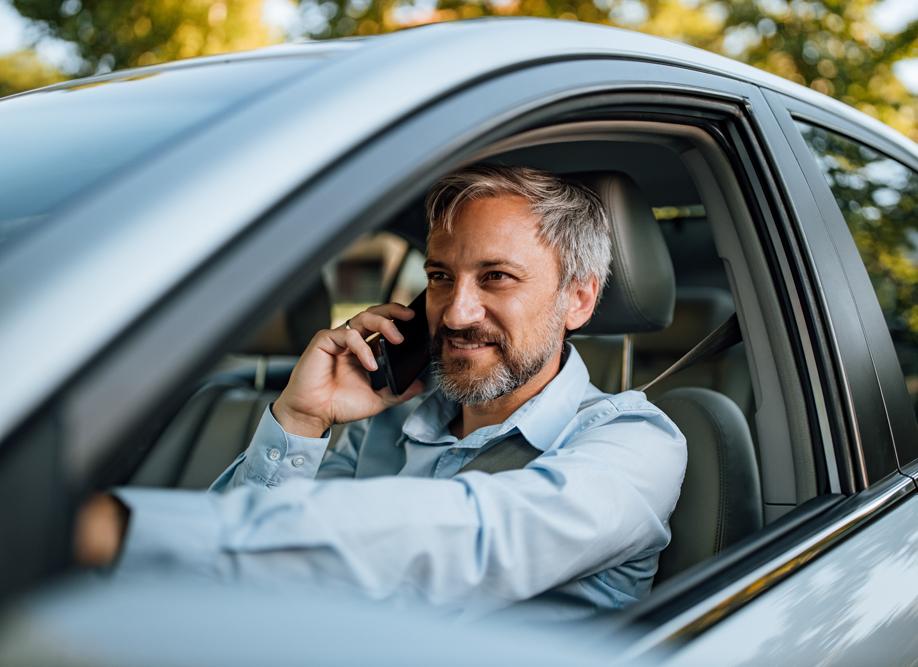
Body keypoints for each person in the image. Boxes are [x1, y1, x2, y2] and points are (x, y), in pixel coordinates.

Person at [75, 164, 687, 620]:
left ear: (578, 297)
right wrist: (303, 418)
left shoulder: (634, 443)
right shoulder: (385, 425)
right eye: (442, 278)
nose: (454, 313)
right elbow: (236, 591)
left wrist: (131, 533)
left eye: (496, 277)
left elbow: (475, 538)